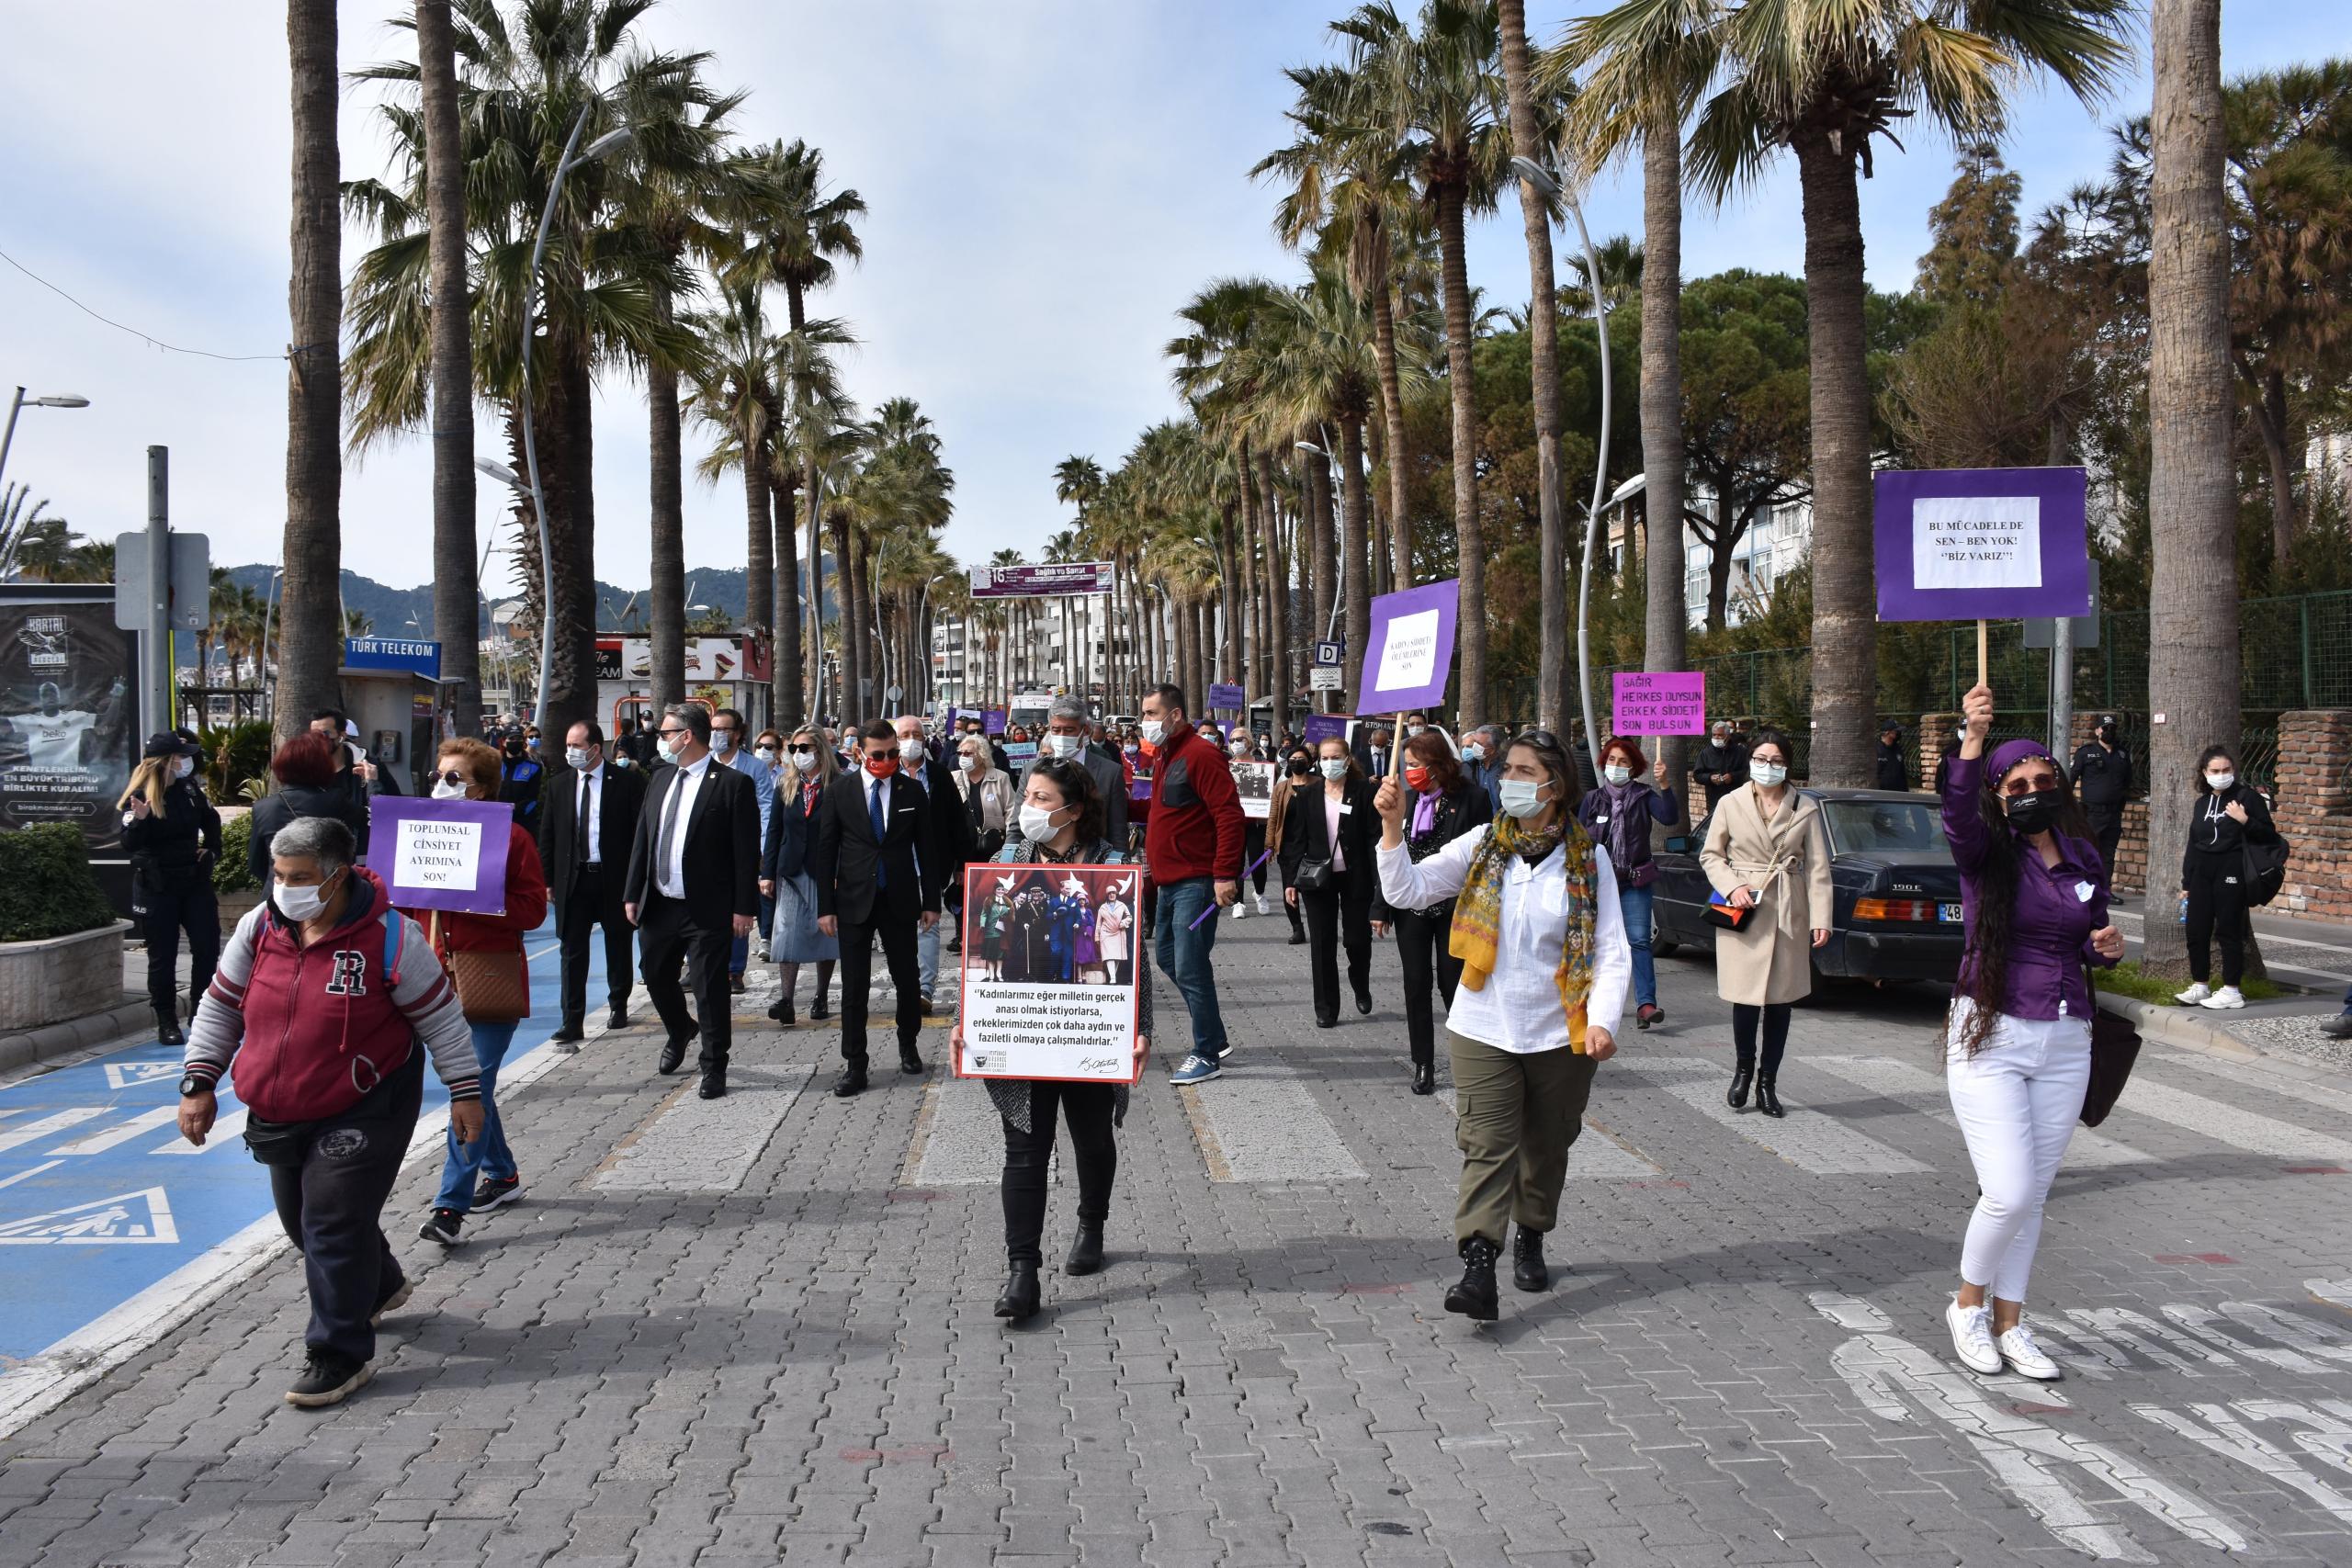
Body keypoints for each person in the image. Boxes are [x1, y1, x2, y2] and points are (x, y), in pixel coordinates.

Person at [176, 815, 482, 1408]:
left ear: (338, 875)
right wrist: (199, 1081)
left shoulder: (392, 937)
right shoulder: (259, 926)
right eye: (278, 873)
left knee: (332, 1222)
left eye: (300, 876)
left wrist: (465, 1091)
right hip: (283, 1104)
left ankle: (339, 1351)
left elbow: (442, 1017)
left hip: (367, 1103)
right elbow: (220, 1006)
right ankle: (380, 1281)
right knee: (302, 1222)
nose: (285, 887)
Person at [1374, 729, 1632, 1321]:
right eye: (1507, 769)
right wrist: (1392, 829)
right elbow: (1407, 891)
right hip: (1482, 1025)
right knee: (1487, 1146)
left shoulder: (1589, 859)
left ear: (1554, 785)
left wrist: (1603, 1022)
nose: (1507, 781)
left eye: (1521, 771)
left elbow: (1612, 950)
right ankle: (1478, 1268)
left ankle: (1532, 1232)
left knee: (1546, 1147)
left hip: (1559, 1034)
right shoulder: (1482, 845)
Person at [1939, 682, 2125, 1382]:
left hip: (2065, 1036)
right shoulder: (1987, 854)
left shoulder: (2082, 855)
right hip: (1990, 1033)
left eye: (2043, 778)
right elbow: (1957, 817)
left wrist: (2103, 946)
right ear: (1998, 792)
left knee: (2035, 1194)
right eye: (2016, 782)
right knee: (2009, 1190)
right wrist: (1974, 735)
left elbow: (2086, 934)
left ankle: (2012, 1322)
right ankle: (1966, 1305)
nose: (2032, 789)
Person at [959, 755, 1154, 1321]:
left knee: (1091, 1139)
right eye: (1027, 796)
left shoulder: (1115, 865)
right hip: (1023, 1033)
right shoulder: (1006, 861)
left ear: (1073, 808)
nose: (1029, 809)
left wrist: (1138, 1030)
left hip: (1087, 1032)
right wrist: (963, 1023)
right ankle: (1023, 1272)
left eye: (1041, 799)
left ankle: (1091, 1224)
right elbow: (976, 948)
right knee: (1024, 1149)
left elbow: (1133, 961)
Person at [413, 739, 549, 1248]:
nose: (441, 785)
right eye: (438, 775)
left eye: (454, 778)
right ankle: (504, 1174)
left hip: (487, 979)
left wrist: (478, 898)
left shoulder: (512, 840)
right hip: (431, 982)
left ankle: (449, 1206)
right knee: (478, 1091)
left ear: (482, 788)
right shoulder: (419, 836)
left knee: (466, 1089)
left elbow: (532, 910)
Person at [622, 704, 760, 1100]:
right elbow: (644, 839)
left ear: (686, 736)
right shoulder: (661, 778)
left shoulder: (732, 784)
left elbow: (745, 852)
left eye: (665, 734)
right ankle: (680, 1028)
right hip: (661, 903)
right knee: (654, 973)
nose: (659, 741)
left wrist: (743, 907)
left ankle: (714, 1064)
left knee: (708, 987)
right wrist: (633, 891)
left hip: (708, 905)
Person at [1698, 728, 1832, 1119]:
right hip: (1744, 908)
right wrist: (1733, 886)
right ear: (1750, 759)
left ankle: (1767, 1083)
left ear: (1787, 764)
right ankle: (1742, 1070)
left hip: (1788, 909)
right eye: (1761, 759)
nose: (1768, 767)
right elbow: (1711, 855)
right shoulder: (1730, 803)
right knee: (1745, 997)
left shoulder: (1805, 808)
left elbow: (1820, 868)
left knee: (1780, 1002)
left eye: (1776, 761)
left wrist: (1821, 918)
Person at [811, 720, 944, 1096]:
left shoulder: (912, 791)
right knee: (854, 987)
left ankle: (908, 1043)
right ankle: (855, 1063)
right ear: (859, 754)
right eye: (878, 755)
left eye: (892, 754)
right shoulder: (840, 792)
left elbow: (927, 850)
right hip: (853, 901)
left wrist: (931, 902)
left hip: (900, 899)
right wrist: (826, 907)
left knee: (907, 980)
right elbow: (826, 852)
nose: (887, 760)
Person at [1138, 683, 1246, 1085]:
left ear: (1175, 715)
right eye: (1145, 714)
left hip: (1196, 882)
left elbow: (1229, 815)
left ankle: (1206, 1052)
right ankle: (1215, 1036)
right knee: (1168, 958)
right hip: (1168, 883)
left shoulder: (1200, 754)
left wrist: (1223, 874)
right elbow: (1165, 810)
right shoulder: (1168, 754)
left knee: (1190, 965)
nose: (1146, 722)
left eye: (1152, 714)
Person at [1386, 729, 1493, 1093]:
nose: (1410, 771)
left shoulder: (1473, 797)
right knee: (1416, 984)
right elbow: (1387, 854)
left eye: (1416, 765)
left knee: (1453, 984)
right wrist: (1379, 906)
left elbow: (1484, 854)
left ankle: (1469, 1056)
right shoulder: (1404, 800)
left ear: (1436, 764)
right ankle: (1423, 1064)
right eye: (1407, 765)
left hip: (1454, 908)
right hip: (1412, 909)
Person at [537, 720, 643, 1046]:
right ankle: (572, 1020)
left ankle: (618, 1005)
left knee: (618, 944)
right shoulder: (559, 785)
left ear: (596, 748)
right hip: (574, 880)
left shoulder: (627, 782)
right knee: (572, 951)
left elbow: (641, 835)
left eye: (577, 746)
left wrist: (636, 883)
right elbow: (548, 835)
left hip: (614, 879)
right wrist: (548, 880)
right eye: (568, 745)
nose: (571, 752)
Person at [1278, 735, 1390, 1028]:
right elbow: (1295, 840)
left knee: (1356, 940)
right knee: (1322, 944)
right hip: (1318, 880)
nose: (1330, 763)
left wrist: (1380, 879)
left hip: (1356, 877)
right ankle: (1326, 1009)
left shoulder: (1363, 791)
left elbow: (1373, 838)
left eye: (1335, 757)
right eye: (1325, 758)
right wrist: (1290, 880)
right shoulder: (1308, 795)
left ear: (1348, 758)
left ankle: (1360, 982)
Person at [121, 731, 221, 1046]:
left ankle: (200, 1014)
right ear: (167, 761)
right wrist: (141, 820)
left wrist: (213, 850)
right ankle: (166, 1020)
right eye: (180, 756)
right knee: (162, 956)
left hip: (194, 882)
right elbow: (127, 843)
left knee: (206, 948)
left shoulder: (189, 787)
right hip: (158, 886)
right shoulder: (140, 794)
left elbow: (211, 819)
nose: (186, 761)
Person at [1577, 737, 1677, 1032]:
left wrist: (1666, 784)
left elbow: (1670, 817)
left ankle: (1646, 1005)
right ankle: (1589, 1002)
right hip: (1598, 884)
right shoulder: (1593, 799)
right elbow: (1580, 841)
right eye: (1611, 760)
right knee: (1590, 943)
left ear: (1633, 767)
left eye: (1622, 762)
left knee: (1639, 941)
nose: (1616, 766)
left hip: (1634, 881)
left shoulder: (1643, 796)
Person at [2172, 744, 2278, 1011]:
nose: (2221, 774)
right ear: (2204, 772)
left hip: (2232, 868)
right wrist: (2187, 883)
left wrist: (2245, 820)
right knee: (2196, 929)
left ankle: (2232, 990)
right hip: (2203, 872)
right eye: (2215, 770)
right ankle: (2200, 985)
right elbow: (2193, 843)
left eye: (2226, 769)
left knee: (2229, 930)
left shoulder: (2247, 797)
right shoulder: (2202, 803)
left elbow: (2268, 835)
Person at [759, 726, 840, 1025]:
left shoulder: (838, 784)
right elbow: (774, 831)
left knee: (825, 937)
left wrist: (840, 871)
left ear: (819, 749)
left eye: (803, 748)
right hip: (790, 869)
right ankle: (787, 999)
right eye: (793, 749)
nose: (797, 754)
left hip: (825, 872)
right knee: (786, 934)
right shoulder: (786, 784)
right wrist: (766, 873)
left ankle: (820, 995)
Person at [898, 715, 977, 1016]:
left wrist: (961, 862)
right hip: (895, 867)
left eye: (916, 734)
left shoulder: (940, 775)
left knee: (927, 925)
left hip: (932, 865)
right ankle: (906, 983)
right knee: (900, 929)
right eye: (905, 734)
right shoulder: (888, 775)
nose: (911, 740)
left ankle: (924, 989)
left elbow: (958, 822)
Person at [248, 730, 373, 881]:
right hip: (324, 892)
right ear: (322, 767)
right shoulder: (334, 800)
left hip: (276, 893)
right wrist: (372, 781)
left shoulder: (262, 807)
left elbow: (255, 865)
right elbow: (376, 819)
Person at [705, 708, 766, 996]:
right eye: (714, 728)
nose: (718, 734)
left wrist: (763, 850)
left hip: (742, 852)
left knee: (738, 912)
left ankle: (734, 971)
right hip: (707, 852)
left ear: (738, 733)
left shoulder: (754, 768)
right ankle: (701, 966)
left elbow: (766, 808)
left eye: (724, 729)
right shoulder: (701, 764)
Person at [1025, 696, 1130, 849]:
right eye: (1056, 730)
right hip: (1040, 861)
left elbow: (1118, 829)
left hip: (1092, 863)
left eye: (1069, 730)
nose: (1062, 736)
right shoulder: (1030, 769)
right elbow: (1017, 825)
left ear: (1085, 731)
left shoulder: (1110, 773)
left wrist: (1119, 867)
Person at [2071, 716, 2132, 890]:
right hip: (2092, 814)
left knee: (2108, 854)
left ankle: (2104, 890)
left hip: (2113, 814)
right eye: (2105, 728)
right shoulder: (2086, 752)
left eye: (2112, 728)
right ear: (2097, 731)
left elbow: (2127, 782)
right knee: (2087, 851)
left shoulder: (2122, 754)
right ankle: (2083, 887)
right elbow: (2071, 778)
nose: (2109, 732)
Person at [1264, 745, 1316, 944]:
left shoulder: (1319, 784)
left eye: (1301, 759)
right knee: (1289, 889)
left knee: (1312, 891)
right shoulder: (1281, 788)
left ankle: (1317, 926)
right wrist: (1269, 845)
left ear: (1309, 762)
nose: (1296, 762)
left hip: (1313, 847)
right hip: (1288, 847)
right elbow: (1273, 817)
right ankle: (1297, 928)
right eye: (1292, 759)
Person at [1225, 728, 1274, 918]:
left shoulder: (1262, 763)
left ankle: (1260, 893)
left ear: (1248, 741)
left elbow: (1270, 790)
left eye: (1239, 739)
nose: (1235, 743)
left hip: (1257, 822)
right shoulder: (1227, 765)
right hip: (1234, 822)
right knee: (1236, 862)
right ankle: (1238, 902)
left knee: (1257, 861)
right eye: (1232, 739)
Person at [748, 728, 786, 959]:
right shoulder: (748, 775)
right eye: (760, 746)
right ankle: (765, 935)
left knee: (768, 890)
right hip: (752, 840)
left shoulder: (784, 777)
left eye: (769, 747)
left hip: (774, 842)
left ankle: (767, 937)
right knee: (758, 891)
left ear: (779, 751)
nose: (763, 751)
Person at [1690, 720, 1747, 820]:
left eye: (1720, 735)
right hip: (1714, 800)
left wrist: (1733, 777)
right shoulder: (1706, 753)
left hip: (1736, 799)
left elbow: (1747, 771)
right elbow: (1697, 775)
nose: (1716, 738)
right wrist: (1710, 778)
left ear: (1728, 736)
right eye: (1714, 735)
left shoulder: (1740, 752)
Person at [498, 729, 545, 829]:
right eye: (512, 739)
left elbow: (532, 798)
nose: (515, 742)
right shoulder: (494, 766)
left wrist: (513, 811)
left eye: (519, 739)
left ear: (523, 742)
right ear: (503, 742)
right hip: (496, 818)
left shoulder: (534, 768)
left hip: (522, 822)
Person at [1876, 722, 1910, 792]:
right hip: (1882, 793)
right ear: (1887, 732)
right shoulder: (1876, 750)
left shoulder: (1897, 749)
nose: (1898, 733)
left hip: (1899, 792)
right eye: (1895, 731)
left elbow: (1902, 771)